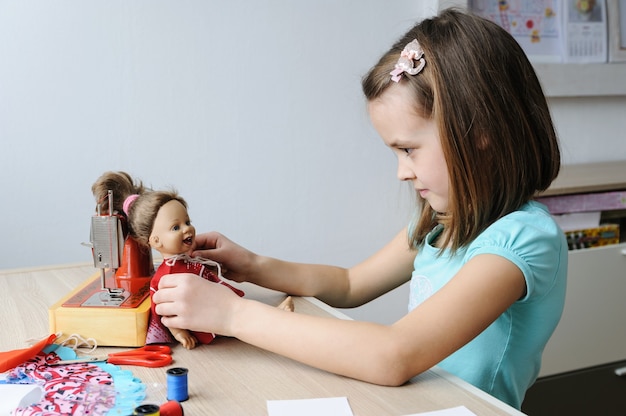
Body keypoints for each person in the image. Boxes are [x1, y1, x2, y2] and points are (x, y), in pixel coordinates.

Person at [152, 8, 567, 409]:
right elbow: (350, 284)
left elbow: (394, 355)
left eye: (409, 149)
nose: (402, 172)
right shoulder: (441, 224)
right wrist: (253, 264)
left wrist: (232, 314)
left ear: (479, 131)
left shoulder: (521, 242)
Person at [91, 171, 247, 349]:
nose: (187, 229)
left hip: (219, 304)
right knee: (239, 322)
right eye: (176, 227)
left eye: (187, 222)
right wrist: (179, 332)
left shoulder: (190, 261)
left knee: (242, 312)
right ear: (156, 240)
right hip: (207, 317)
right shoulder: (165, 278)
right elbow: (164, 309)